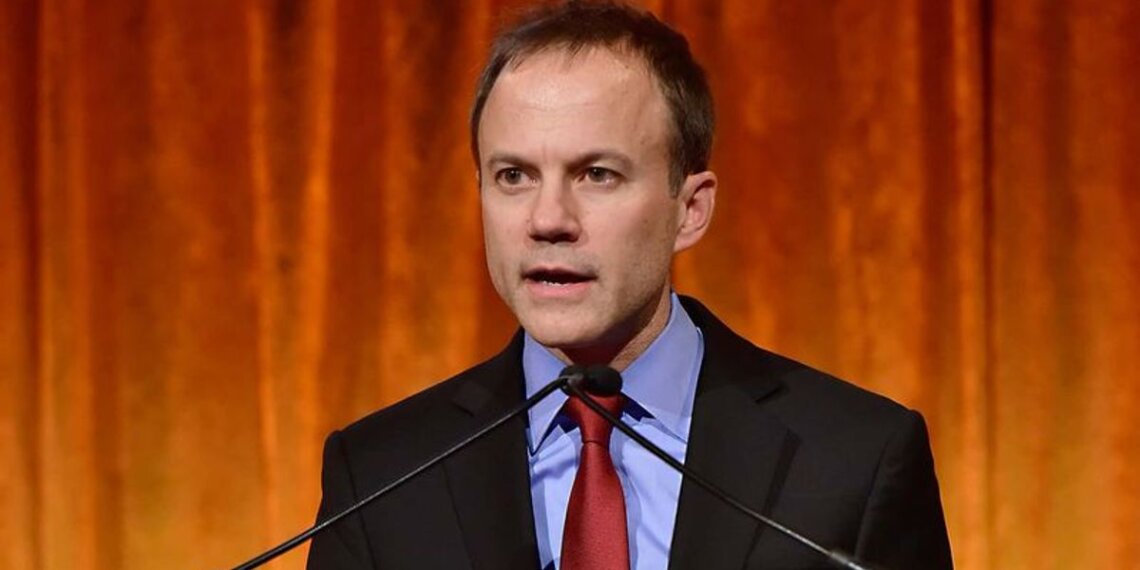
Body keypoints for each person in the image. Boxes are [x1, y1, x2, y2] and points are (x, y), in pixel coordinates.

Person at [307, 2, 953, 569]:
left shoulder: (854, 465)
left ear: (690, 209)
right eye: (513, 176)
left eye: (597, 175)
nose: (548, 220)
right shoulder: (380, 480)